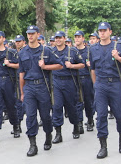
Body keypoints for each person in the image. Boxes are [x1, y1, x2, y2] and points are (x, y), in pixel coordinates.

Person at [89, 22, 121, 159]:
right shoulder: (93, 48)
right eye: (100, 31)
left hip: (116, 84)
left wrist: (119, 57)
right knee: (101, 115)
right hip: (101, 85)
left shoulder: (118, 46)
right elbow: (92, 69)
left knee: (120, 115)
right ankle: (103, 146)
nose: (102, 33)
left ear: (110, 32)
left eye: (104, 30)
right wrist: (96, 84)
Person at [18, 25, 62, 156]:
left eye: (32, 33)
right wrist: (22, 92)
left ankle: (48, 135)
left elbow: (60, 65)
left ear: (38, 34)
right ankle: (33, 144)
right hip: (29, 87)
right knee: (30, 116)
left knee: (45, 116)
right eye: (28, 34)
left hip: (43, 86)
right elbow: (21, 73)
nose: (30, 36)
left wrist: (46, 66)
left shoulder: (46, 50)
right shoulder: (23, 52)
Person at [50, 30, 84, 143]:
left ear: (64, 39)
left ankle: (75, 126)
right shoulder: (51, 51)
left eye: (60, 38)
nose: (58, 40)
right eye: (56, 38)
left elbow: (82, 64)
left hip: (69, 82)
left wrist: (72, 66)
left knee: (71, 107)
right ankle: (58, 133)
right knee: (57, 107)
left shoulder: (72, 51)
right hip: (56, 82)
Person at [74, 30, 95, 132]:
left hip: (87, 77)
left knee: (88, 101)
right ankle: (79, 123)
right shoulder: (72, 51)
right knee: (78, 102)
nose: (77, 39)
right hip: (76, 78)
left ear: (83, 38)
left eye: (79, 37)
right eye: (76, 37)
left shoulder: (89, 51)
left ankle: (90, 120)